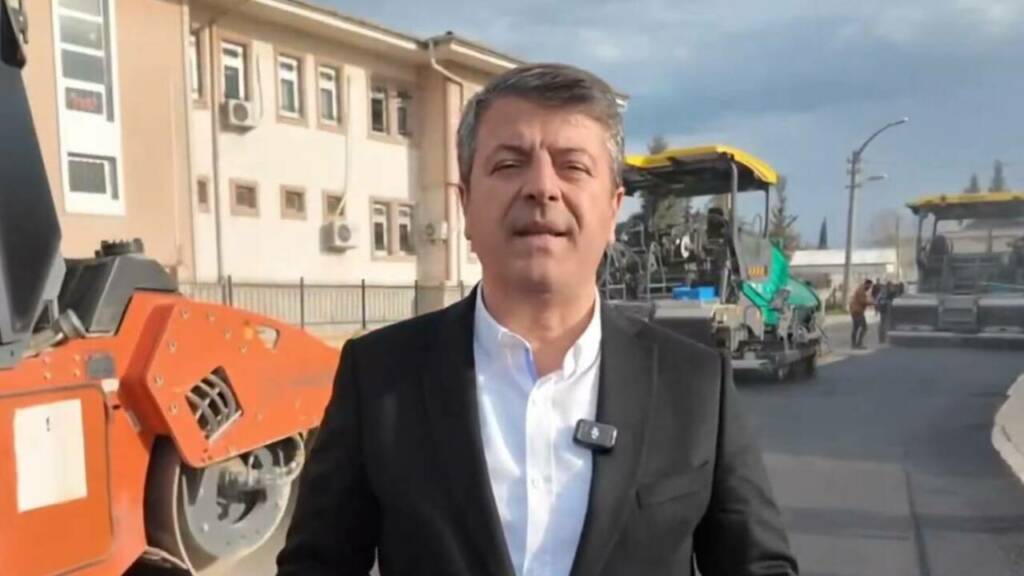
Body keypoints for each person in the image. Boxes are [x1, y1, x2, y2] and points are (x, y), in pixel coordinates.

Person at [276, 63, 798, 576]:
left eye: (573, 166)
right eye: (509, 164)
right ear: (466, 205)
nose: (542, 188)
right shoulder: (380, 378)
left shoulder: (697, 385)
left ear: (613, 210)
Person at [850, 279, 874, 349]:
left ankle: (854, 344)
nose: (869, 288)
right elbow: (862, 301)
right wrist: (872, 303)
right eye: (869, 286)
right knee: (864, 328)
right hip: (858, 312)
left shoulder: (860, 289)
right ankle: (859, 344)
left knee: (856, 328)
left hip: (855, 311)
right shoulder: (861, 290)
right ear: (866, 284)